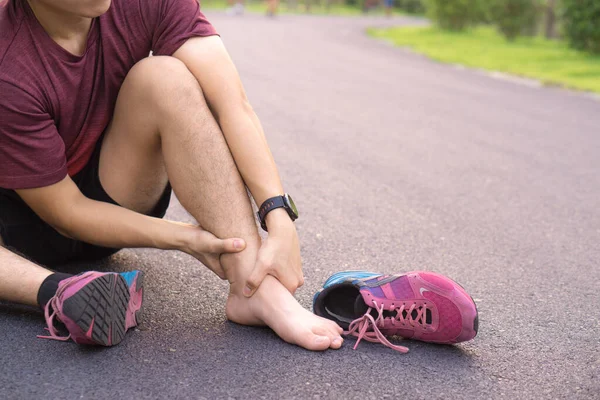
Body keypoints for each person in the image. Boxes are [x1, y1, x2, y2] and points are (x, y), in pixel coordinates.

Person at [0, 0, 344, 350]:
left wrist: (278, 215)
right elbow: (65, 212)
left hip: (114, 187)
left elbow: (232, 103)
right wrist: (185, 238)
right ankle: (51, 288)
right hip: (24, 225)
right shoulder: (8, 65)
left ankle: (253, 288)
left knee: (164, 76)